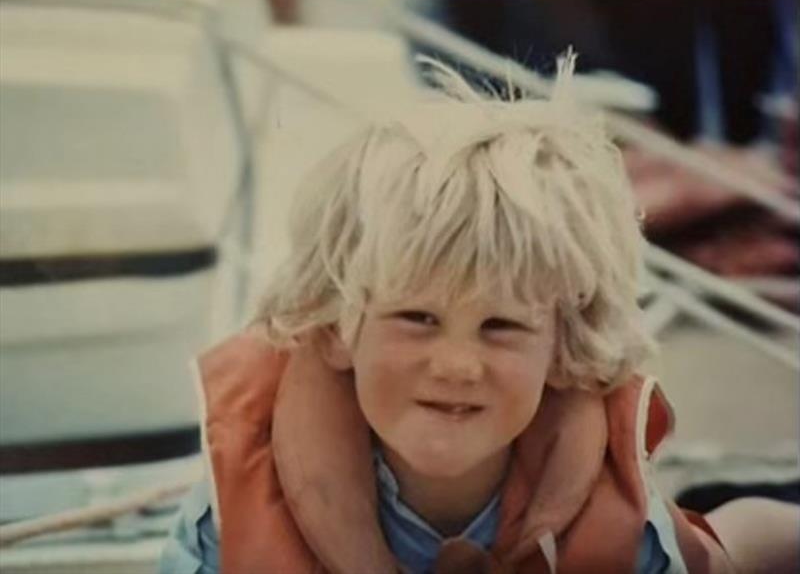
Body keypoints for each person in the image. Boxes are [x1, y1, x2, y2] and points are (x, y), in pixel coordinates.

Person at [159, 54, 797, 574]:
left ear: (561, 345)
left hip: (704, 547)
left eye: (502, 326)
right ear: (336, 329)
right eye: (416, 318)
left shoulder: (624, 525)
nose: (458, 365)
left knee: (742, 545)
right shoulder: (229, 515)